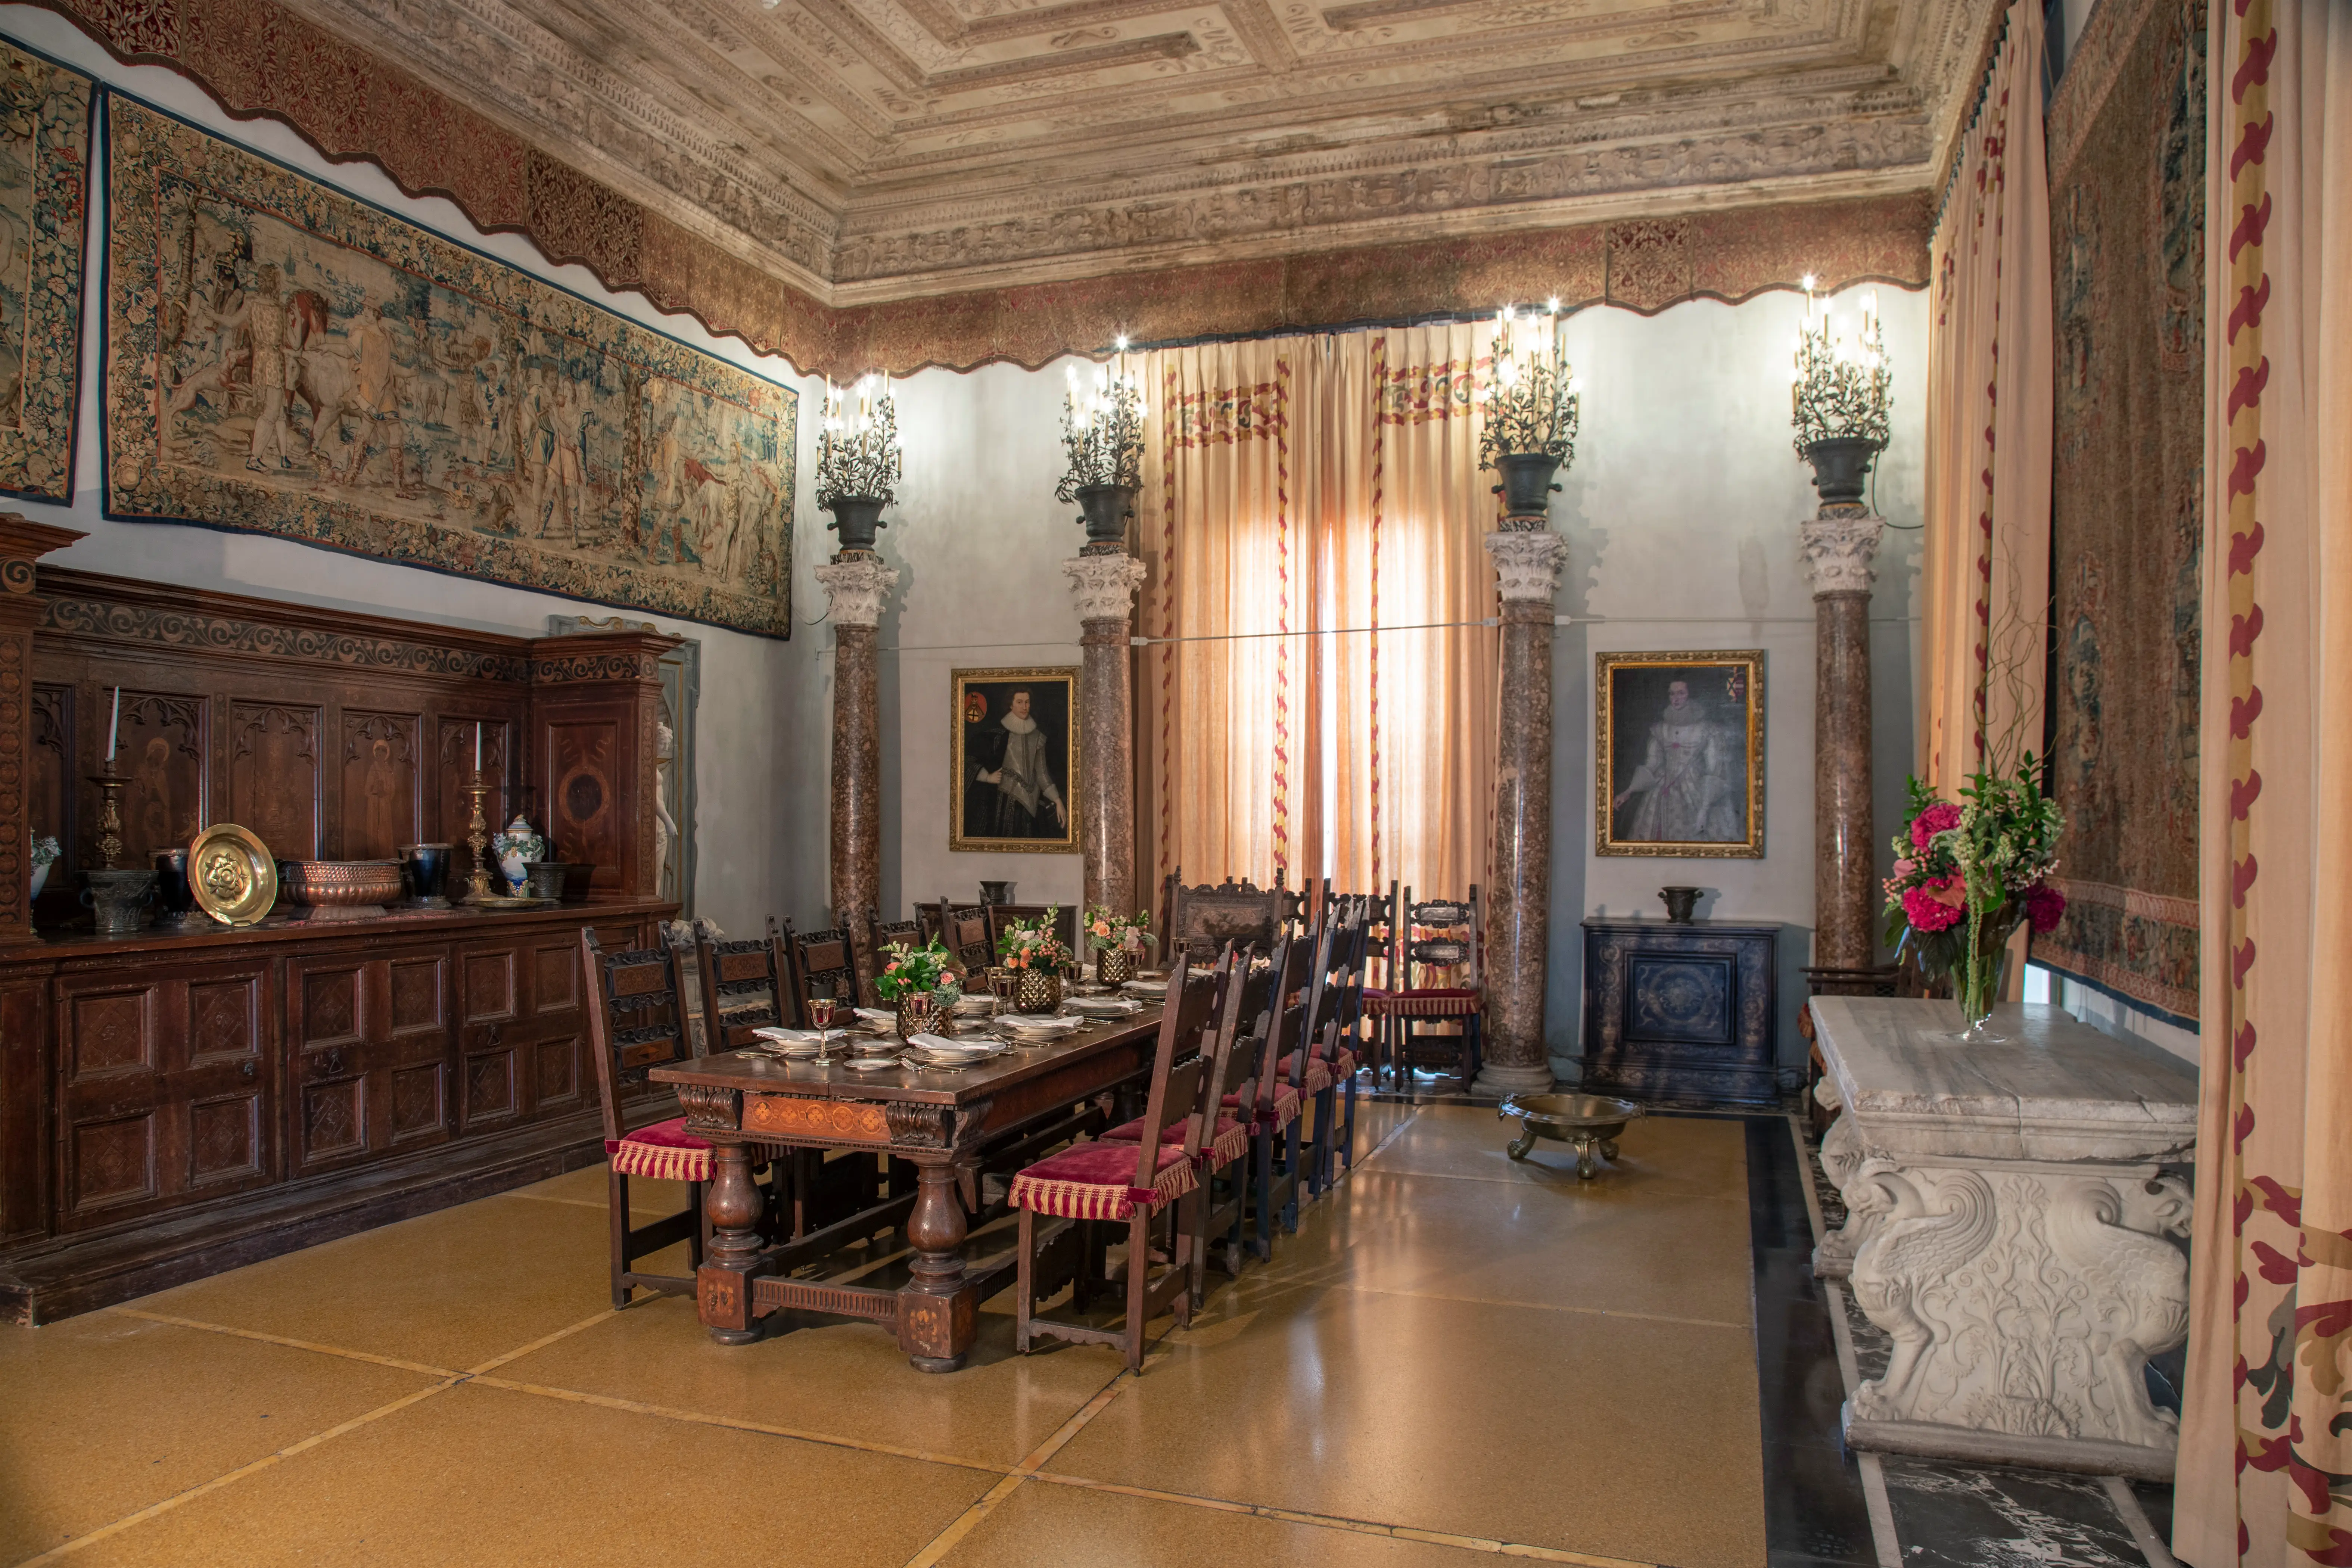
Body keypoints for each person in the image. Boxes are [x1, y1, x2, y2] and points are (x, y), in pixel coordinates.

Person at [1612, 678, 1737, 842]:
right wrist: (1629, 791)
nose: (1675, 699)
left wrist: (1704, 810)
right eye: (1672, 694)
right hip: (1660, 790)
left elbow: (1715, 770)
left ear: (1691, 695)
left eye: (1681, 693)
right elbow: (1653, 764)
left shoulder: (1709, 730)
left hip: (1696, 792)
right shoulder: (1660, 729)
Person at [975, 690, 1067, 839]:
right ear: (1011, 706)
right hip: (1006, 803)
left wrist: (1057, 801)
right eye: (1019, 702)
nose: (1025, 707)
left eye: (1027, 702)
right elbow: (969, 763)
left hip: (1034, 807)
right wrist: (987, 777)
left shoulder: (1037, 737)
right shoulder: (998, 735)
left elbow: (1042, 774)